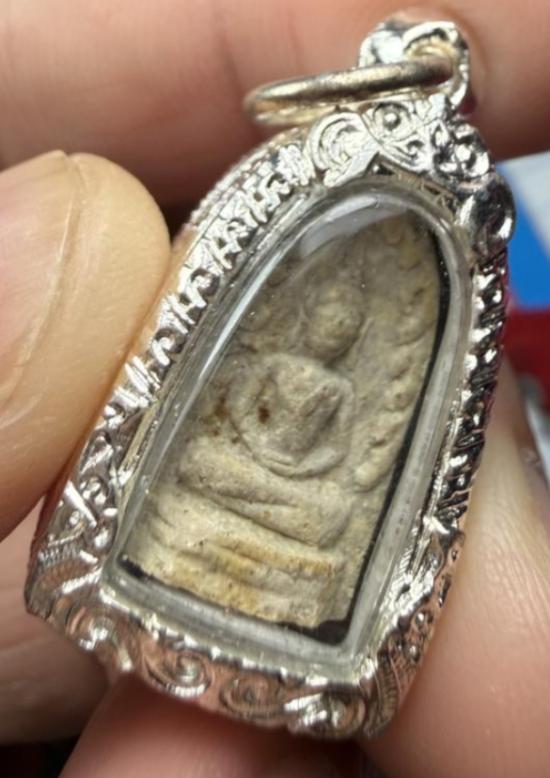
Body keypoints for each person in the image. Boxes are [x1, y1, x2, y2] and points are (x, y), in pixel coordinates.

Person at [0, 2, 549, 777]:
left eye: (344, 329)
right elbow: (227, 438)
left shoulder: (335, 386)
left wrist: (297, 483)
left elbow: (330, 469)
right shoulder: (278, 364)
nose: (330, 336)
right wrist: (248, 471)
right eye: (323, 319)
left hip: (292, 512)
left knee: (327, 518)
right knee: (204, 473)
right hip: (229, 487)